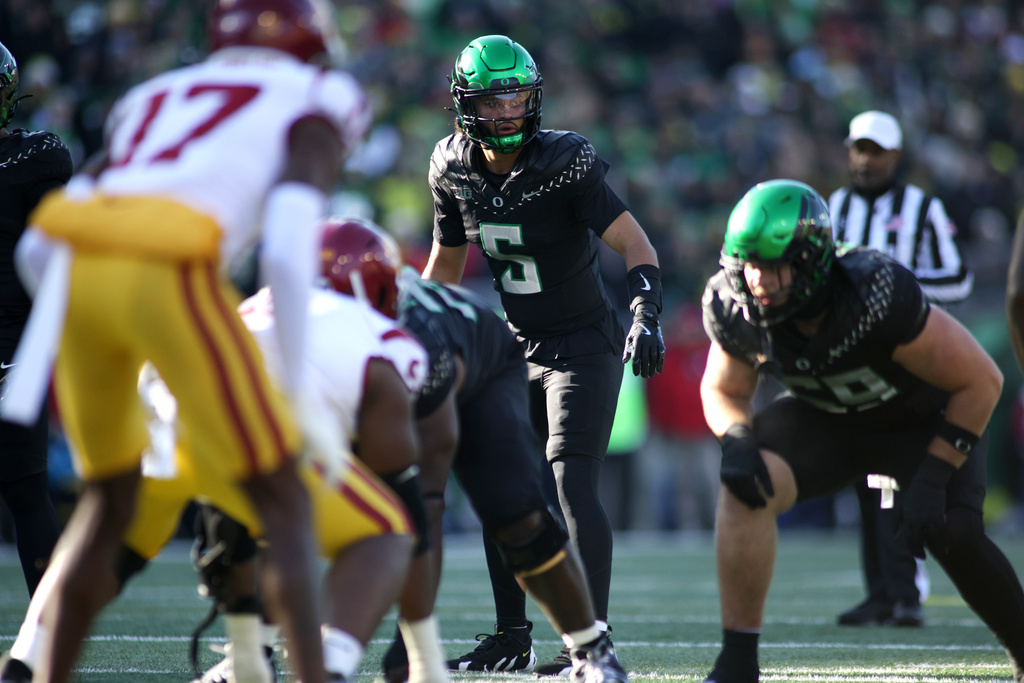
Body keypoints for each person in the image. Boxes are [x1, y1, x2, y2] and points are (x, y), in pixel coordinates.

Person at [0, 2, 371, 682]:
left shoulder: (154, 95)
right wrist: (292, 385)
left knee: (107, 503)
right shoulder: (323, 93)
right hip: (172, 271)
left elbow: (39, 244)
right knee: (283, 495)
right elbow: (289, 250)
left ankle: (29, 672)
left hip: (77, 280)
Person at [0, 219, 438, 683]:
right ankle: (326, 670)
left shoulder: (256, 304)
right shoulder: (386, 341)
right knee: (386, 531)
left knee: (113, 544)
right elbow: (394, 468)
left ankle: (23, 663)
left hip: (164, 416)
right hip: (247, 433)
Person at [699, 179, 1024, 683]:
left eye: (772, 264)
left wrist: (935, 477)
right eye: (749, 264)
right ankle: (738, 660)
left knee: (954, 532)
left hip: (919, 420)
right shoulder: (735, 303)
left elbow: (982, 380)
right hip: (830, 418)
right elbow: (724, 390)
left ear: (811, 261)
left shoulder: (872, 291)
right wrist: (736, 441)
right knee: (746, 484)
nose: (758, 280)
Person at [422, 34, 664, 675]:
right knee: (506, 482)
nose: (505, 113)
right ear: (463, 105)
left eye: (517, 98)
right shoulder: (450, 165)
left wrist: (645, 312)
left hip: (584, 340)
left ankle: (592, 642)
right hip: (516, 346)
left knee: (568, 479)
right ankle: (512, 634)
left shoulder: (565, 160)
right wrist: (412, 324)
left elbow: (633, 242)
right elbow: (446, 261)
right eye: (492, 100)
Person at [323, 218, 629, 683]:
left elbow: (426, 493)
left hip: (486, 359)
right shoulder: (264, 334)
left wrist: (415, 652)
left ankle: (591, 649)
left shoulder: (414, 343)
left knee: (511, 513)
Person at [827, 110, 973, 627]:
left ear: (895, 156)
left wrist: (896, 288)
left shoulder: (923, 208)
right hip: (856, 364)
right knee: (867, 479)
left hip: (912, 363)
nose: (865, 160)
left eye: (875, 151)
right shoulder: (836, 206)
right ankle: (883, 593)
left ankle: (907, 591)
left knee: (902, 478)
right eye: (858, 149)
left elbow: (958, 279)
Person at [0, 40, 70, 598]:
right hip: (18, 349)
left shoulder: (36, 159)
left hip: (15, 344)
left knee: (26, 491)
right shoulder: (37, 156)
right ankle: (43, 638)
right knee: (26, 491)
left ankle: (43, 633)